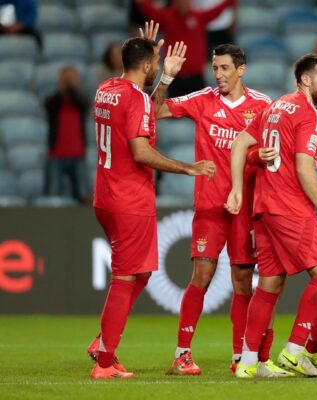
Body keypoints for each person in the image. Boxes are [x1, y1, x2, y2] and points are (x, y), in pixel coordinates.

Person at [225, 54, 317, 378]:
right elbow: (306, 169)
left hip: (264, 209)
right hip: (291, 208)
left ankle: (249, 363)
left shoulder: (274, 108)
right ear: (306, 80)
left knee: (269, 285)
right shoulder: (309, 116)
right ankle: (295, 351)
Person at [151, 43, 292, 377]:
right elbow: (154, 111)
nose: (219, 74)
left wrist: (262, 159)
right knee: (201, 275)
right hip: (210, 206)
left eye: (225, 68)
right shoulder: (203, 99)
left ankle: (240, 357)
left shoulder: (262, 106)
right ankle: (181, 354)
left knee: (243, 282)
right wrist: (166, 77)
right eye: (216, 68)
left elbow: (272, 153)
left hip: (244, 209)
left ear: (241, 70)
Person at [87, 25, 216, 379]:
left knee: (140, 273)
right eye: (155, 60)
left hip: (105, 196)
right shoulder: (136, 98)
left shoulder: (106, 89)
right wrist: (187, 167)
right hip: (129, 198)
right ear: (146, 66)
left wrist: (157, 69)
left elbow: (142, 100)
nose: (159, 63)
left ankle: (103, 342)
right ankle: (104, 362)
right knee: (126, 276)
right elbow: (141, 151)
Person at [135, 0, 236, 98]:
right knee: (173, 111)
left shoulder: (198, 17)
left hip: (196, 76)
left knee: (198, 112)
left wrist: (228, 2)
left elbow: (215, 11)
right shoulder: (167, 17)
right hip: (174, 77)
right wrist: (143, 3)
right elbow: (151, 12)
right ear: (175, 2)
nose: (184, 3)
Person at [43, 66, 90, 203]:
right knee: (53, 194)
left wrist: (71, 88)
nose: (70, 80)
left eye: (72, 77)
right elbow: (49, 105)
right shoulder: (54, 99)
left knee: (83, 194)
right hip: (56, 154)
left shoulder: (80, 98)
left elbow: (83, 104)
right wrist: (62, 89)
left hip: (78, 153)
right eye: (67, 77)